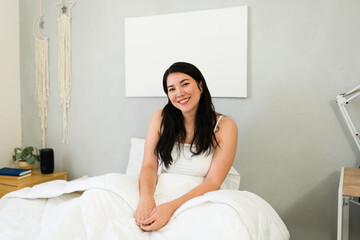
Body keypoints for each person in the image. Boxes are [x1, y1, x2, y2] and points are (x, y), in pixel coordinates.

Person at [135, 62, 238, 231]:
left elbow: (213, 181)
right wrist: (146, 199)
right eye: (171, 89)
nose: (179, 93)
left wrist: (169, 208)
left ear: (200, 85)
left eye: (185, 84)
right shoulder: (159, 118)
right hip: (160, 189)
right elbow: (148, 165)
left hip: (200, 196)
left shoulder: (225, 126)